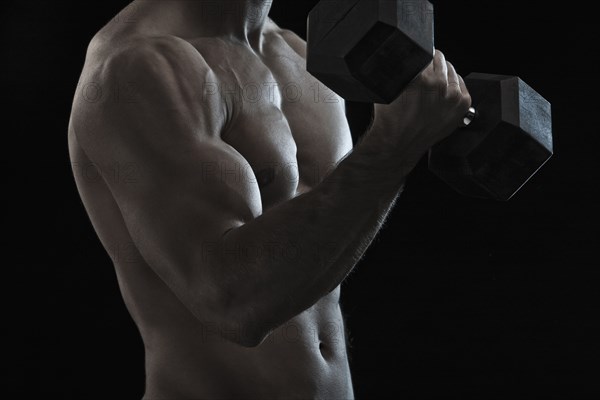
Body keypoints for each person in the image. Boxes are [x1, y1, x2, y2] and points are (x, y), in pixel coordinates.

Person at [68, 1, 471, 398]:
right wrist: (393, 147)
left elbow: (323, 235)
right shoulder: (137, 67)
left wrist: (426, 126)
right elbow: (231, 300)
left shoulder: (299, 53)